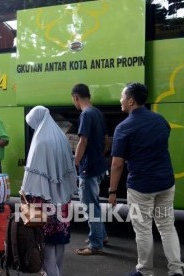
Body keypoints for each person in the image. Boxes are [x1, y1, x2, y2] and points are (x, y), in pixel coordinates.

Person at [108, 83, 184, 276]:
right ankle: (176, 270)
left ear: (131, 101)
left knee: (143, 230)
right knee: (167, 227)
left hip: (141, 187)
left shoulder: (124, 128)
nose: (120, 100)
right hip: (166, 182)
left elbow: (117, 164)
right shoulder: (160, 120)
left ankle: (144, 271)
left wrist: (112, 191)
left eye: (122, 96)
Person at [21, 106, 78, 276]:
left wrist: (24, 189)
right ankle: (58, 272)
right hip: (63, 201)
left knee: (46, 246)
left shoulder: (40, 141)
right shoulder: (60, 136)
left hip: (46, 201)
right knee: (60, 242)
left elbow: (33, 173)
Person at [71, 83, 109, 256]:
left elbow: (82, 141)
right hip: (100, 166)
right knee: (95, 204)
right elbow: (107, 139)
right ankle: (101, 236)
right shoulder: (98, 112)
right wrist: (99, 155)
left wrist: (75, 163)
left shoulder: (85, 115)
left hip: (89, 168)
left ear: (76, 98)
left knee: (90, 207)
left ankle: (95, 244)